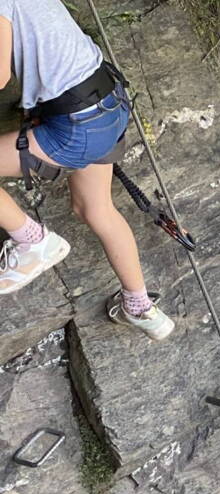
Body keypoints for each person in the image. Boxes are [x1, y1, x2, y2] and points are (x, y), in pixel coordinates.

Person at [0, 0, 173, 339]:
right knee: (94, 207)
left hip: (77, 122)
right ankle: (140, 308)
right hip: (108, 101)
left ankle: (33, 242)